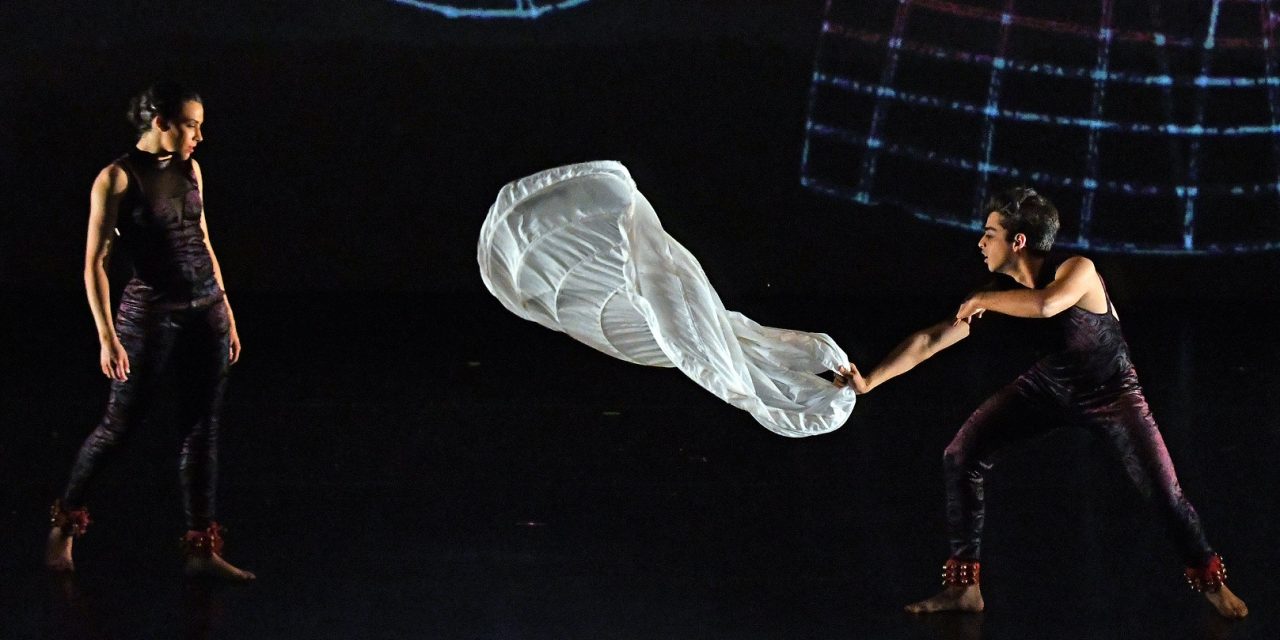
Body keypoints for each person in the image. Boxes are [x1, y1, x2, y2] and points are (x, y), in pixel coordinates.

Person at [834, 187, 1246, 618]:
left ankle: (1213, 584)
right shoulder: (999, 289)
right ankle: (964, 590)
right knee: (961, 455)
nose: (980, 243)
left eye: (989, 233)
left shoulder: (1077, 270)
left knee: (1164, 492)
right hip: (1049, 387)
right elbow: (931, 339)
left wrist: (981, 300)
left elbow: (1048, 305)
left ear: (1019, 242)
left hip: (1113, 393)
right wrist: (870, 381)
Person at [44, 81, 254, 581]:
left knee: (201, 429)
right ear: (160, 123)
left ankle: (201, 550)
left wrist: (225, 309)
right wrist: (106, 336)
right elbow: (95, 263)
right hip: (150, 317)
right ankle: (63, 526)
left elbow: (202, 239)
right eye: (191, 125)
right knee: (119, 427)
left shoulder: (190, 168)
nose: (199, 135)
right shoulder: (116, 179)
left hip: (205, 309)